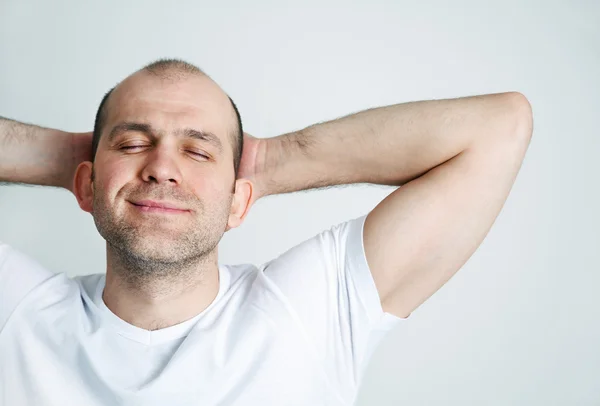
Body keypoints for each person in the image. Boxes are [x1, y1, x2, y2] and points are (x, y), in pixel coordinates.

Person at [0, 58, 533, 405]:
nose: (163, 168)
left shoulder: (307, 312)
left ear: (240, 201)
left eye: (198, 150)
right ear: (86, 185)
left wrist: (271, 161)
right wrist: (77, 162)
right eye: (134, 144)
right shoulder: (19, 316)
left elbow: (499, 126)